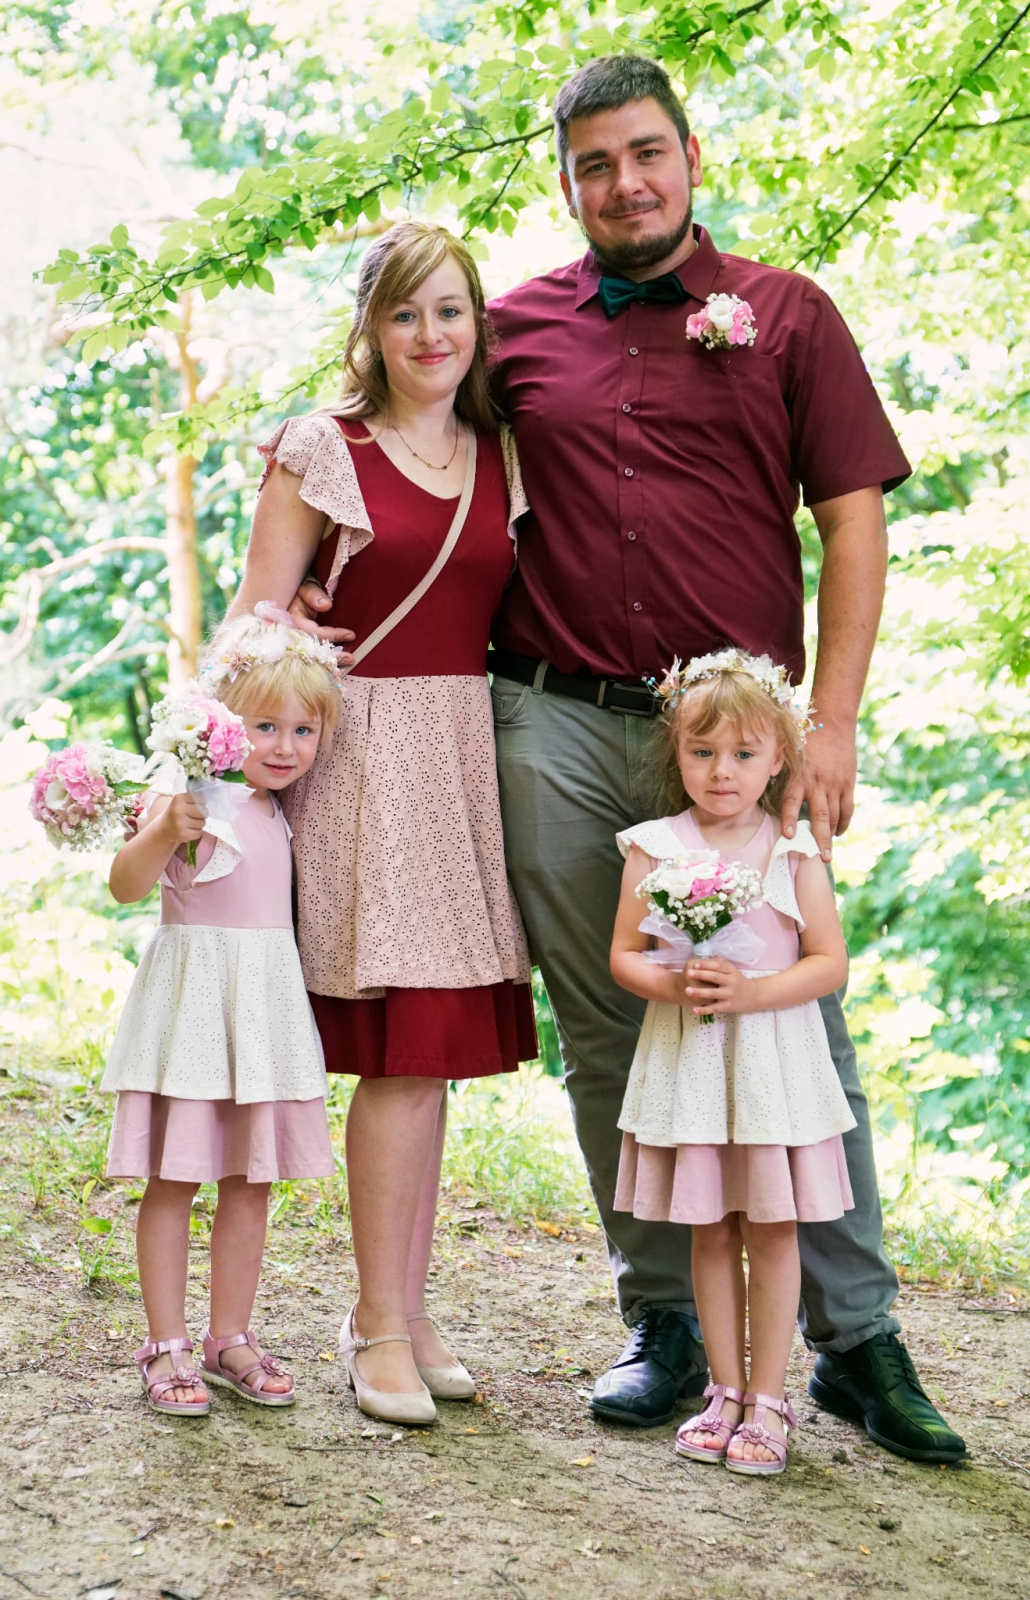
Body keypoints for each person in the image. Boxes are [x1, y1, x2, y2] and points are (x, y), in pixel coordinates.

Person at [294, 59, 965, 1462]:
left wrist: (831, 723)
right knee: (608, 1022)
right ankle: (663, 1317)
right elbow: (402, 429)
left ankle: (854, 1339)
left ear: (691, 155)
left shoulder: (787, 315)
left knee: (795, 1023)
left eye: (645, 152)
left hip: (731, 743)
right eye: (594, 163)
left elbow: (852, 523)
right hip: (548, 723)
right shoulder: (515, 331)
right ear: (566, 184)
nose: (624, 183)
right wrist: (307, 585)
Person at [229, 220, 537, 1427]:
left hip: (459, 752)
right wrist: (293, 626)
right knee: (402, 1051)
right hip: (360, 752)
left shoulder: (500, 449)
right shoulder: (326, 445)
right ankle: (374, 1324)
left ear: (477, 322)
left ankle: (407, 1304)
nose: (429, 333)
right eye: (405, 312)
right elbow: (249, 625)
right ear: (371, 327)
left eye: (449, 309)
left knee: (436, 1050)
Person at [611, 651, 857, 1476]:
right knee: (710, 1228)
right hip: (692, 1060)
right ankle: (722, 1391)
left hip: (770, 1064)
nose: (723, 771)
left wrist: (753, 993)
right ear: (676, 754)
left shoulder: (791, 852)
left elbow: (828, 962)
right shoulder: (653, 847)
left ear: (779, 758)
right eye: (703, 752)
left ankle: (769, 1398)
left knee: (773, 1227)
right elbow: (624, 955)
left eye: (744, 754)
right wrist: (671, 982)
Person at [102, 611, 340, 1416]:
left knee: (249, 1181)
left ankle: (227, 1337)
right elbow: (125, 886)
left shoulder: (282, 810)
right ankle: (165, 1343)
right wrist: (163, 828)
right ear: (223, 728)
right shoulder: (191, 799)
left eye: (303, 730)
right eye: (264, 726)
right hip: (194, 1012)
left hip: (262, 1011)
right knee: (174, 1180)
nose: (285, 746)